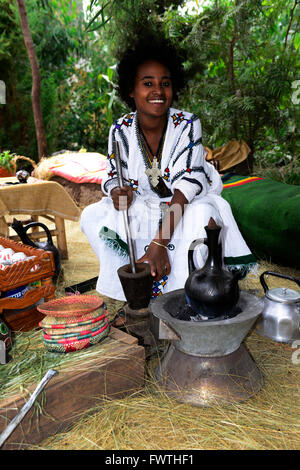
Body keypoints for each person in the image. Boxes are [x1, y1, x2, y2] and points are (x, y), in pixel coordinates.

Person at [80, 37, 256, 308]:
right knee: (91, 216)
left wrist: (159, 245)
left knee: (202, 217)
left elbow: (188, 185)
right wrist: (116, 191)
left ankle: (189, 297)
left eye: (165, 83)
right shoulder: (120, 129)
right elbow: (113, 172)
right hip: (145, 205)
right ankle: (139, 288)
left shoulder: (187, 124)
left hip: (186, 203)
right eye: (147, 83)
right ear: (131, 89)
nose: (157, 90)